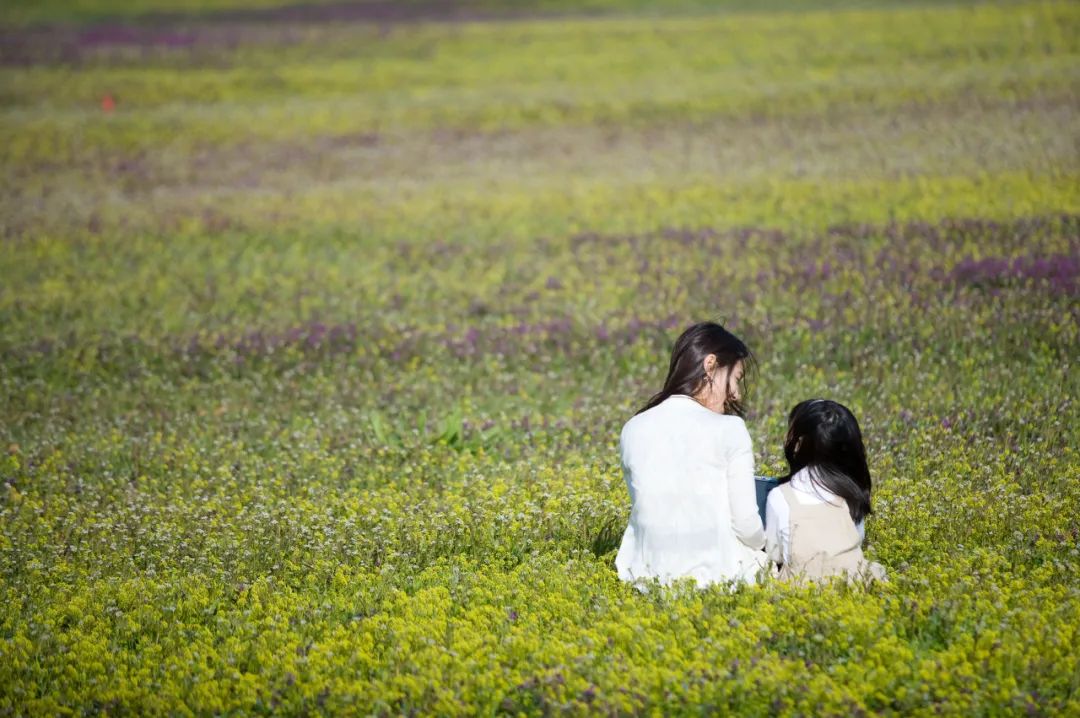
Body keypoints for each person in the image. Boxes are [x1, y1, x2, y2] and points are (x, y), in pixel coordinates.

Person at [614, 321, 768, 588]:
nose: (736, 394)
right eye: (735, 379)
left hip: (646, 577)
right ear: (710, 365)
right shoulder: (730, 429)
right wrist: (767, 543)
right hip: (719, 577)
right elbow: (746, 525)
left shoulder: (633, 428)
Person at [764, 399, 886, 582]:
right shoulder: (851, 493)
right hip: (853, 584)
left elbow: (775, 554)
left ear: (798, 444)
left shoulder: (781, 496)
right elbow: (857, 538)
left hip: (802, 588)